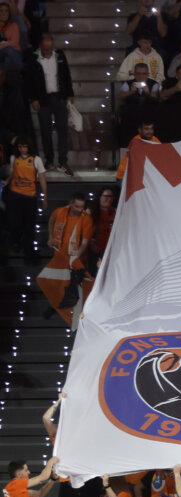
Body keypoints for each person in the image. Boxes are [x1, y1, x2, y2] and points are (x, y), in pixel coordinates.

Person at [36, 192, 93, 326]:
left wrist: (75, 259)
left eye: (82, 207)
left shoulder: (86, 218)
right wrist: (50, 237)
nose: (80, 210)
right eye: (77, 207)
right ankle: (57, 307)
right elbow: (51, 220)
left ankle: (75, 313)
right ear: (71, 203)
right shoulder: (60, 212)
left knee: (73, 285)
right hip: (59, 255)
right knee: (59, 283)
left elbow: (84, 243)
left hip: (75, 259)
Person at [24, 35, 74, 176]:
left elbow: (66, 75)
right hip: (43, 98)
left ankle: (63, 161)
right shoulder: (33, 59)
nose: (48, 49)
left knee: (62, 130)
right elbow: (29, 80)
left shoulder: (60, 55)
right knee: (46, 131)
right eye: (46, 46)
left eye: (50, 46)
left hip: (59, 96)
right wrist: (33, 99)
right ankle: (49, 160)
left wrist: (70, 94)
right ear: (40, 46)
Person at [4, 137, 48, 257]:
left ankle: (28, 249)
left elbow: (42, 178)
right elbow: (14, 172)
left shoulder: (36, 160)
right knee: (15, 222)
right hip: (16, 194)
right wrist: (7, 181)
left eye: (24, 146)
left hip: (30, 195)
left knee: (30, 223)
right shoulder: (14, 158)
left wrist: (45, 197)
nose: (22, 149)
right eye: (20, 147)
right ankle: (16, 243)